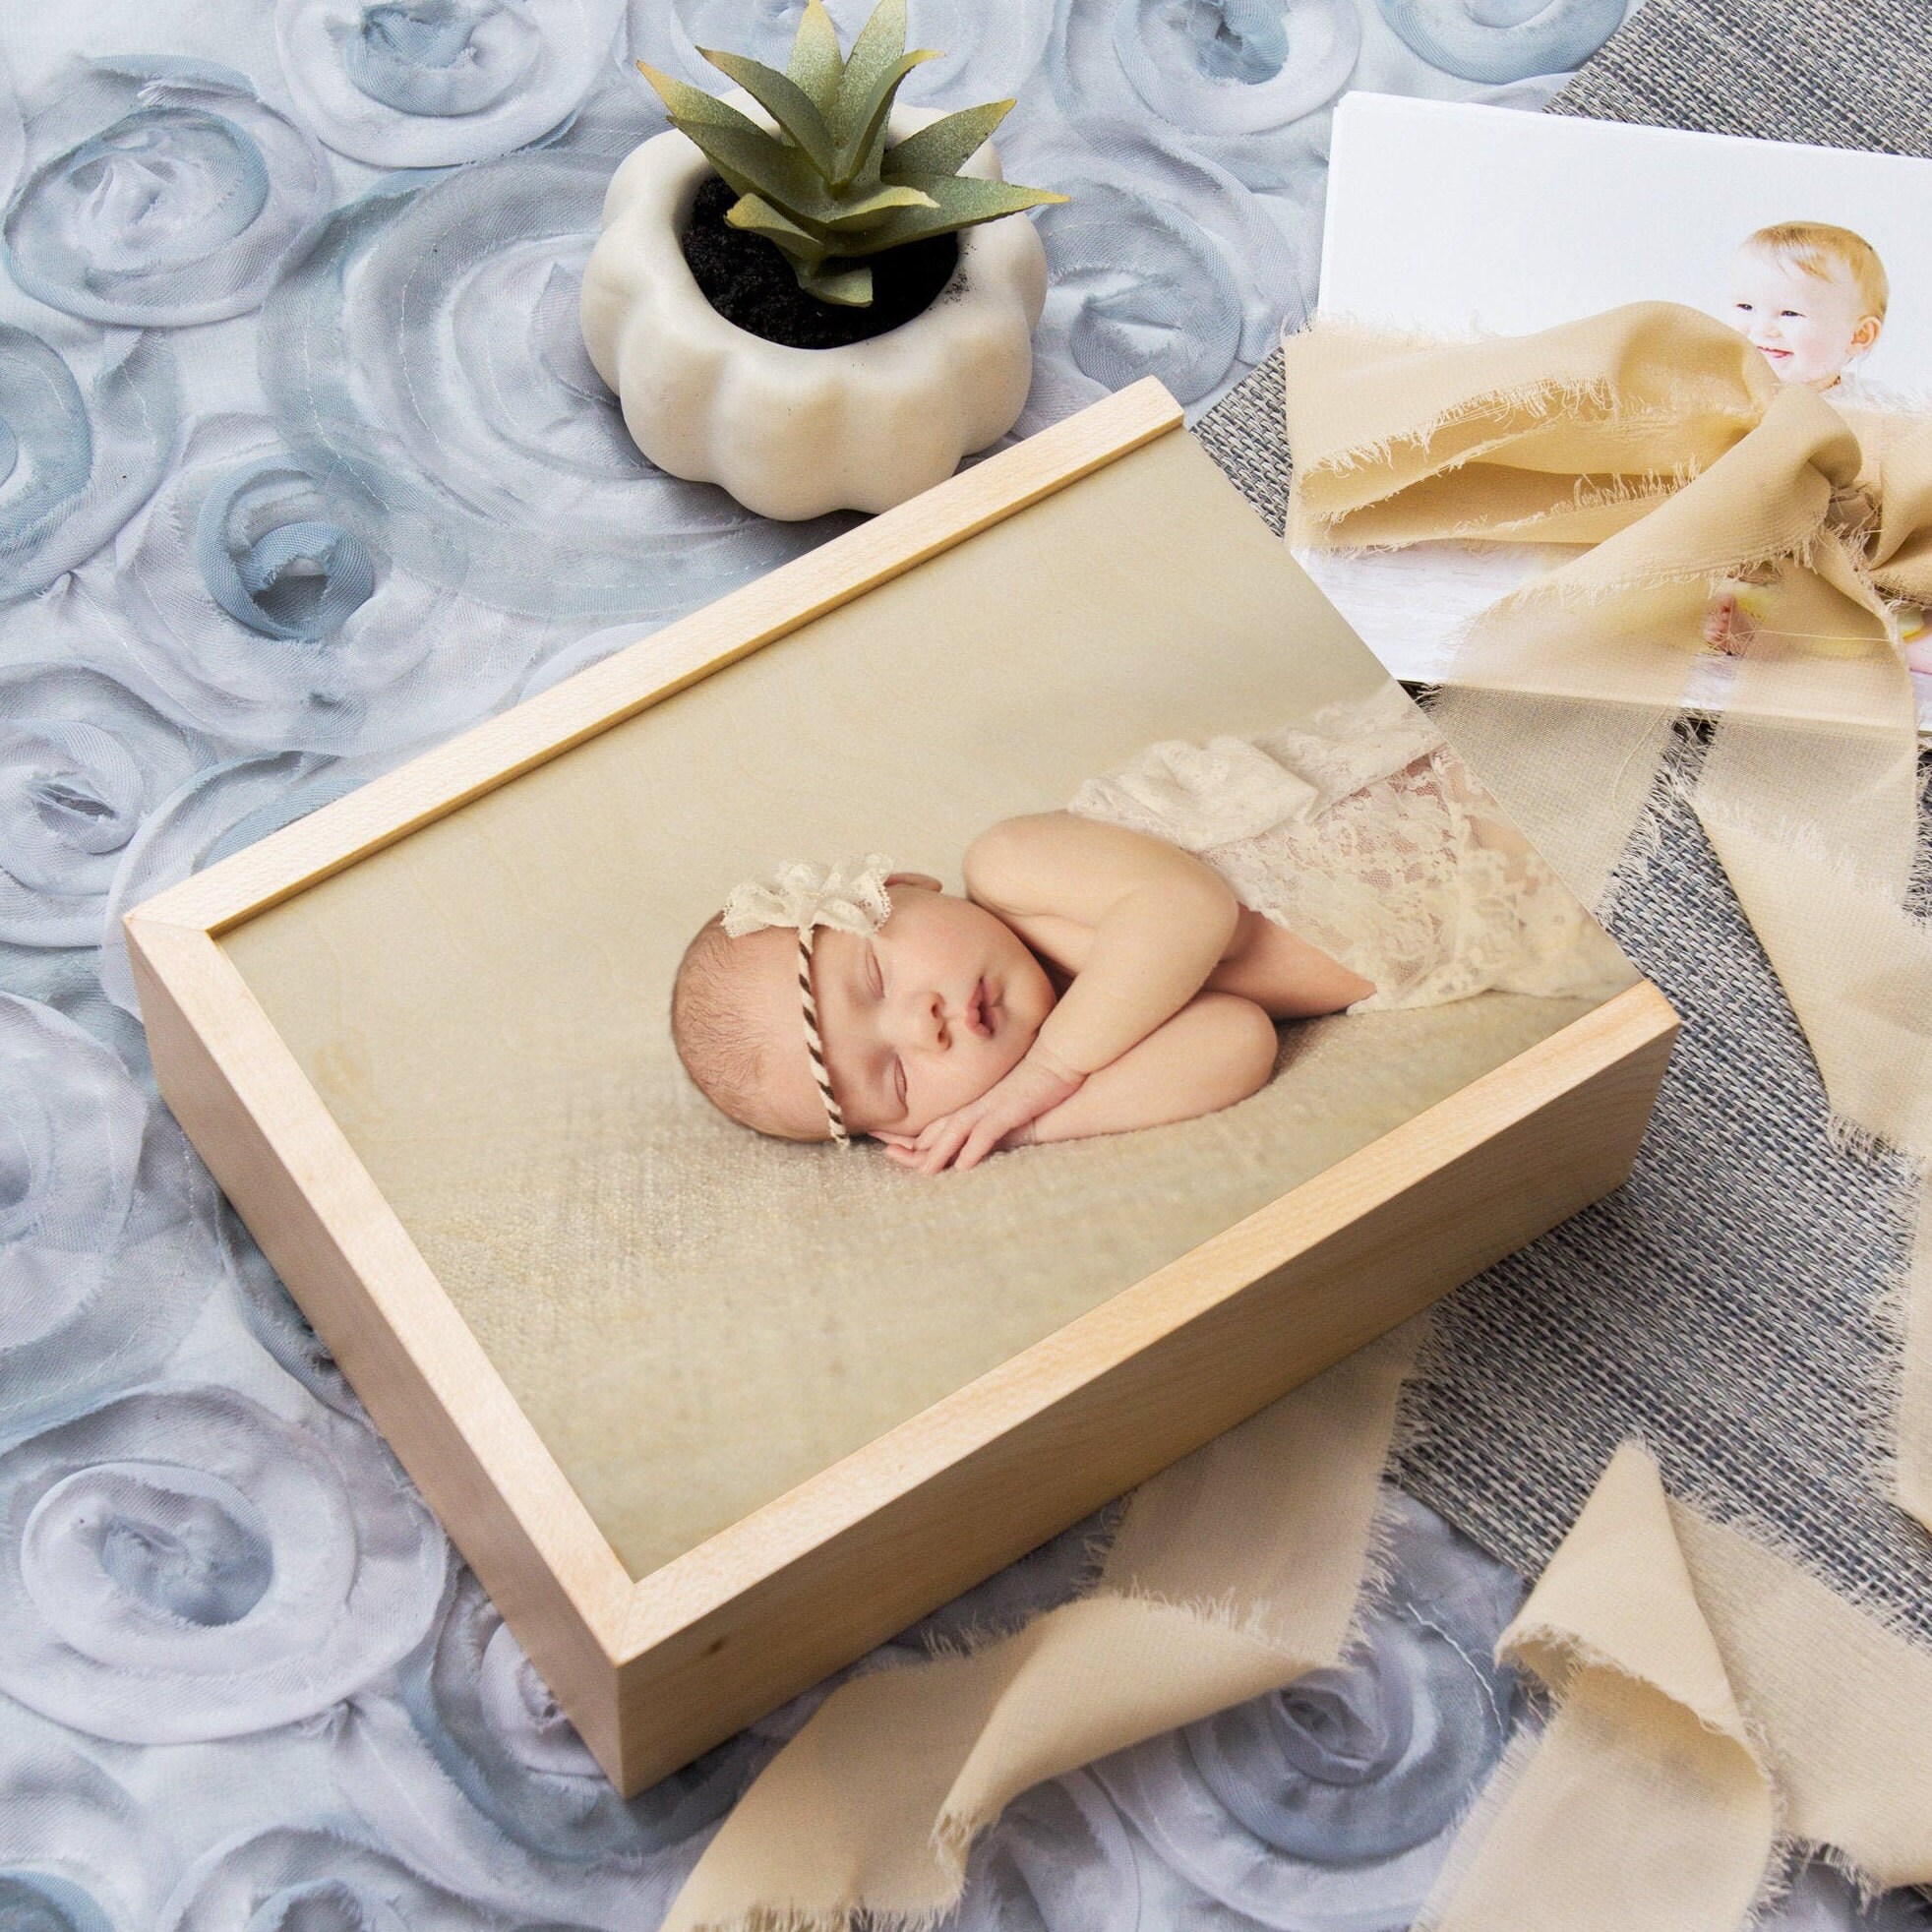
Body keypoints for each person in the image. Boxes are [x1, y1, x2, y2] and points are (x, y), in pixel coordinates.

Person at [671, 690, 1629, 1174]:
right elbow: (1234, 1042)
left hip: (1452, 789)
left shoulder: (1011, 863)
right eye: (896, 1079)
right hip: (1509, 908)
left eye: (875, 981)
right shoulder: (1084, 1040)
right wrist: (1025, 1119)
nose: (921, 1025)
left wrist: (1044, 1071)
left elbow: (1188, 913)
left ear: (902, 885)